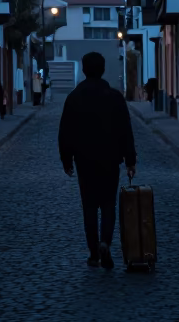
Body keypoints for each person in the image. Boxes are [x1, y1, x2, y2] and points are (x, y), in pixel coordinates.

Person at [58, 50, 137, 270]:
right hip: (110, 160)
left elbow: (65, 132)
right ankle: (105, 242)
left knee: (90, 207)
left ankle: (93, 252)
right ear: (103, 70)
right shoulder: (114, 97)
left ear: (84, 70)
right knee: (108, 204)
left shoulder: (74, 97)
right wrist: (130, 160)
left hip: (85, 161)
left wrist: (67, 160)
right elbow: (125, 131)